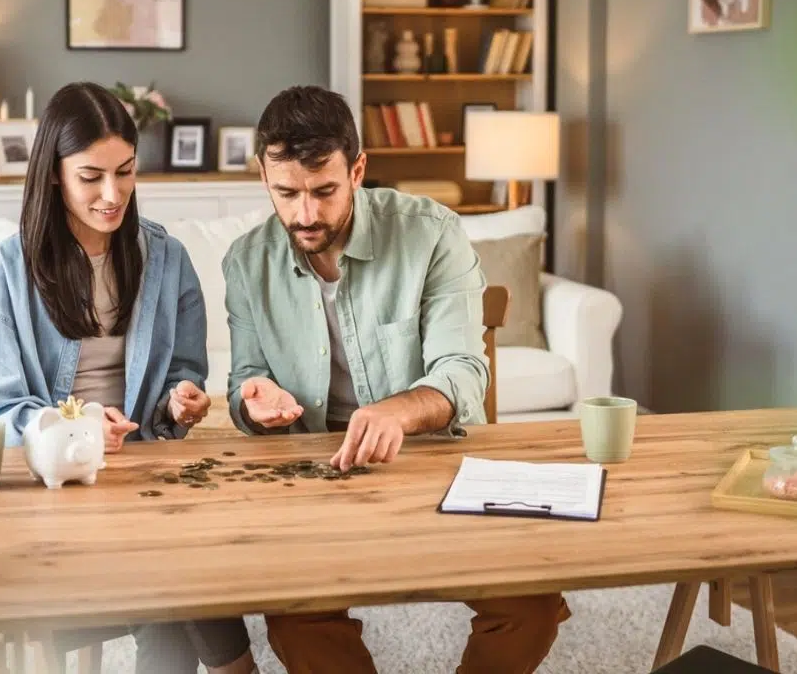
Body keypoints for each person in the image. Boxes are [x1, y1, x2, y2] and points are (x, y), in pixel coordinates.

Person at [221, 84, 570, 673]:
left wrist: (398, 411)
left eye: (325, 191)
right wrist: (253, 399)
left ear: (358, 169)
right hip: (316, 465)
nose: (305, 214)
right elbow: (246, 377)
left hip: (433, 457)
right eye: (287, 193)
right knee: (296, 613)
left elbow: (463, 372)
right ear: (263, 177)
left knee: (531, 603)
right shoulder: (244, 262)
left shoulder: (432, 231)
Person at [0, 81, 256, 674]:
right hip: (52, 490)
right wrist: (81, 430)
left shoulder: (165, 260)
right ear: (53, 175)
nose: (112, 194)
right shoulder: (10, 271)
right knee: (173, 566)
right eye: (91, 176)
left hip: (141, 473)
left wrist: (180, 403)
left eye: (125, 172)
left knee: (180, 553)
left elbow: (182, 374)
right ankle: (237, 668)